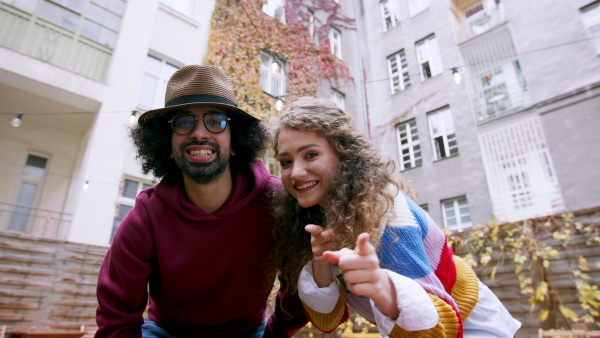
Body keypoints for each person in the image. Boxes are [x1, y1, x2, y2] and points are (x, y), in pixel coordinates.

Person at [271, 97, 521, 337]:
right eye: (286, 162)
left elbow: (439, 332)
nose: (296, 172)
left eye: (311, 155)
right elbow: (327, 321)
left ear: (344, 155)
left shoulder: (386, 216)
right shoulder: (311, 217)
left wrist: (383, 288)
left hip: (471, 323)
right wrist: (321, 263)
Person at [95, 65, 307, 337]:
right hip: (166, 332)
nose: (198, 133)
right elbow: (116, 316)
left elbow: (299, 284)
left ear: (234, 142)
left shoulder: (277, 202)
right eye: (183, 122)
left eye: (215, 121)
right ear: (167, 144)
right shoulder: (148, 214)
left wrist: (274, 334)